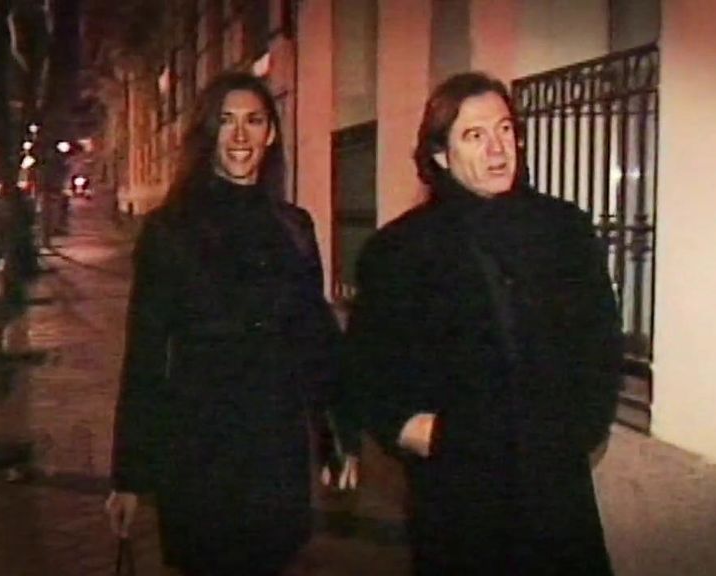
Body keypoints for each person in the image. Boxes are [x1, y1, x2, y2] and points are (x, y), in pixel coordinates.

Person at [345, 71, 624, 575]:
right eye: (475, 135)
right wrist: (419, 432)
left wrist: (580, 428)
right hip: (459, 493)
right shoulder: (400, 251)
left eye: (505, 129)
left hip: (555, 488)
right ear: (440, 154)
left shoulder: (564, 230)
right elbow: (368, 369)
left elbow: (601, 344)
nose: (497, 148)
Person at [105, 72, 358, 576]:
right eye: (226, 121)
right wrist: (128, 476)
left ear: (271, 134)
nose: (240, 135)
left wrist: (338, 435)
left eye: (254, 121)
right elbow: (146, 355)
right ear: (208, 132)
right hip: (199, 445)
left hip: (274, 443)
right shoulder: (170, 230)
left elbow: (315, 339)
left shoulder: (294, 227)